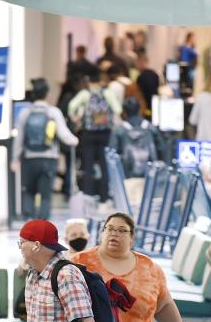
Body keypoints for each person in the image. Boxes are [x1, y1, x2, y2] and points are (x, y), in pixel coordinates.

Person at [12, 78, 79, 220]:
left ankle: (28, 221)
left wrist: (15, 158)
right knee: (46, 195)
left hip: (29, 159)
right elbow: (64, 134)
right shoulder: (53, 112)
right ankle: (43, 225)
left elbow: (19, 138)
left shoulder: (25, 113)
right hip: (48, 159)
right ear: (47, 95)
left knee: (29, 191)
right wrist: (75, 140)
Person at [68, 70, 121, 202]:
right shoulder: (107, 93)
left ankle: (88, 194)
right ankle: (104, 195)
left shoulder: (85, 94)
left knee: (88, 164)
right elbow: (118, 109)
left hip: (88, 134)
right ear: (100, 81)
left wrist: (75, 118)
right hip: (105, 133)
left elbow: (71, 106)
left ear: (89, 81)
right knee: (104, 165)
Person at [108, 97, 165, 179]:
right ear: (139, 109)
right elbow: (161, 148)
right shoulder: (150, 128)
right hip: (150, 175)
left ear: (124, 111)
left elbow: (112, 152)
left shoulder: (119, 130)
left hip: (127, 176)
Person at [135, 53, 160, 119]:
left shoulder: (141, 77)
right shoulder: (155, 75)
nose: (136, 66)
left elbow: (140, 96)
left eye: (137, 63)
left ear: (141, 62)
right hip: (155, 108)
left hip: (145, 110)